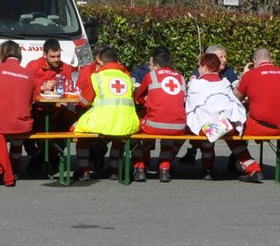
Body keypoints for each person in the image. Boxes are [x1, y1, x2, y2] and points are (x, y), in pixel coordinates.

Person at [184, 51, 263, 183]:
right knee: (232, 139)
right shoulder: (225, 83)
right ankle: (253, 168)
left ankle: (207, 169)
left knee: (205, 131)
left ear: (204, 67)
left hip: (210, 128)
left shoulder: (195, 84)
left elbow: (190, 107)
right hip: (229, 124)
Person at [71, 46, 140, 181]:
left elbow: (84, 102)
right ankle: (113, 170)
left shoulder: (97, 77)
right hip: (127, 122)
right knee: (119, 136)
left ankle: (84, 170)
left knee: (79, 132)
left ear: (100, 61)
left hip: (103, 121)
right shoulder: (127, 77)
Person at [0, 41, 37, 179]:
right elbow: (32, 101)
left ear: (3, 54)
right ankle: (14, 169)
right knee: (17, 134)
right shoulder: (29, 74)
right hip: (22, 125)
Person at [132, 47, 190, 182]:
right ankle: (164, 170)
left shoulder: (151, 75)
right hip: (179, 126)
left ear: (155, 64)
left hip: (154, 125)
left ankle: (140, 169)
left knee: (133, 130)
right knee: (169, 136)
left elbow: (138, 97)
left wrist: (148, 101)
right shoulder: (181, 77)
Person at [25, 38, 77, 176]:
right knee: (31, 124)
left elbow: (69, 89)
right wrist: (41, 87)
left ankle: (42, 158)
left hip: (58, 108)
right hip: (37, 109)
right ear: (44, 55)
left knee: (71, 123)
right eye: (52, 56)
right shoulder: (33, 66)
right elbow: (24, 87)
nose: (56, 60)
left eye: (58, 56)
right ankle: (46, 157)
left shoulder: (66, 68)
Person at [237, 47, 280, 136]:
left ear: (254, 60)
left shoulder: (249, 75)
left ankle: (242, 150)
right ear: (271, 60)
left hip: (261, 128)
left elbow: (235, 98)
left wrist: (243, 75)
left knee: (236, 127)